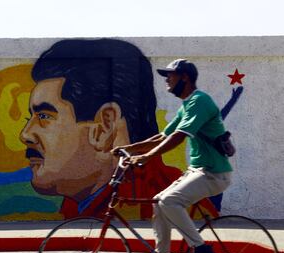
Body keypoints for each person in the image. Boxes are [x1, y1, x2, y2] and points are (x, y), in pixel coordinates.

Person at [20, 39, 183, 219]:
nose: (25, 135)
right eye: (31, 117)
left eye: (44, 116)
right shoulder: (80, 205)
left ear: (104, 127)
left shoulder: (151, 203)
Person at [113, 59, 233, 253]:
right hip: (198, 171)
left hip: (214, 173)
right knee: (159, 202)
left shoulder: (200, 101)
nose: (167, 80)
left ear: (184, 77)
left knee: (170, 201)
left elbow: (179, 136)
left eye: (170, 75)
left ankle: (202, 251)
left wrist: (147, 157)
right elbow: (163, 136)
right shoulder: (187, 105)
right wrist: (128, 148)